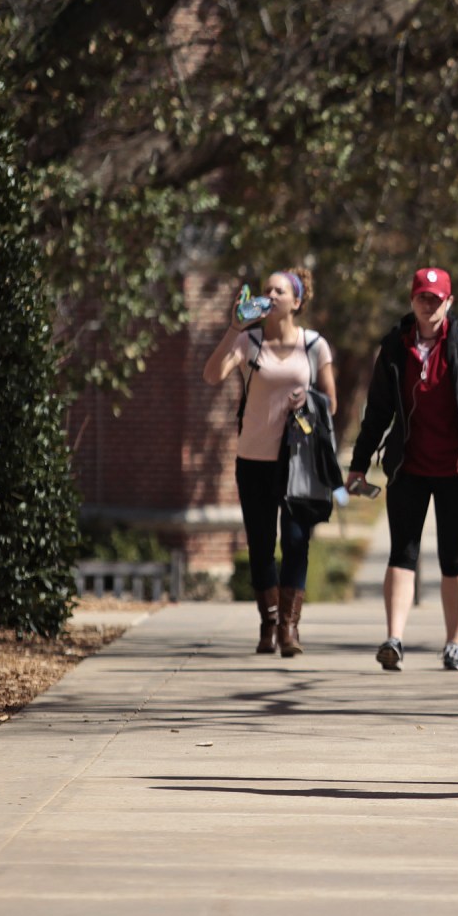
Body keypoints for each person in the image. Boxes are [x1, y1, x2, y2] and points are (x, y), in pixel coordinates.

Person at [347, 267, 458, 672]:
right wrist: (358, 466)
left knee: (453, 558)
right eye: (422, 297)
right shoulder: (395, 348)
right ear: (412, 301)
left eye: (437, 298)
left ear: (449, 302)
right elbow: (378, 412)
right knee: (403, 553)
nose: (429, 304)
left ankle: (454, 644)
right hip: (409, 467)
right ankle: (393, 640)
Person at [202, 268, 336, 657]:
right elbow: (211, 376)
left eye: (280, 290)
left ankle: (289, 630)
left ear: (296, 302)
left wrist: (307, 399)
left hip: (298, 461)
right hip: (254, 458)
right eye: (267, 290)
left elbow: (332, 402)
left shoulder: (314, 345)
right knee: (261, 545)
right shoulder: (248, 341)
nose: (271, 294)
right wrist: (232, 327)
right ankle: (268, 623)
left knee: (297, 542)